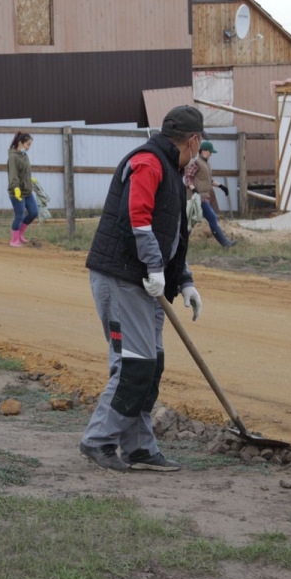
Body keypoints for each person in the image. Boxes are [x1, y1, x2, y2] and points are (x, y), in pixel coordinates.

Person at [79, 105, 205, 472]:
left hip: (143, 281)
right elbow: (138, 220)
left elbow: (172, 235)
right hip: (122, 278)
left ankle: (138, 448)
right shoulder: (149, 163)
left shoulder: (172, 170)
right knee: (135, 365)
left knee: (151, 365)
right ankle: (98, 441)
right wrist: (153, 267)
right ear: (193, 140)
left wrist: (184, 280)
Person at [183, 140, 235, 248]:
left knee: (190, 223)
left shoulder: (206, 164)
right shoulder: (196, 163)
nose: (211, 154)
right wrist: (193, 189)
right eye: (210, 152)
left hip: (203, 197)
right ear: (204, 151)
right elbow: (188, 177)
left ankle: (181, 244)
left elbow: (209, 180)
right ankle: (225, 243)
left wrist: (221, 186)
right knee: (211, 218)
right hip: (197, 198)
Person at [6, 132, 38, 247]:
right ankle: (14, 240)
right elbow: (13, 174)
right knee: (19, 215)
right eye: (28, 144)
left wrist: (30, 179)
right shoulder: (13, 157)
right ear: (20, 143)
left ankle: (20, 234)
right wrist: (15, 188)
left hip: (27, 190)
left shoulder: (24, 155)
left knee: (34, 212)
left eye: (30, 145)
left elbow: (24, 171)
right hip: (17, 191)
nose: (29, 147)